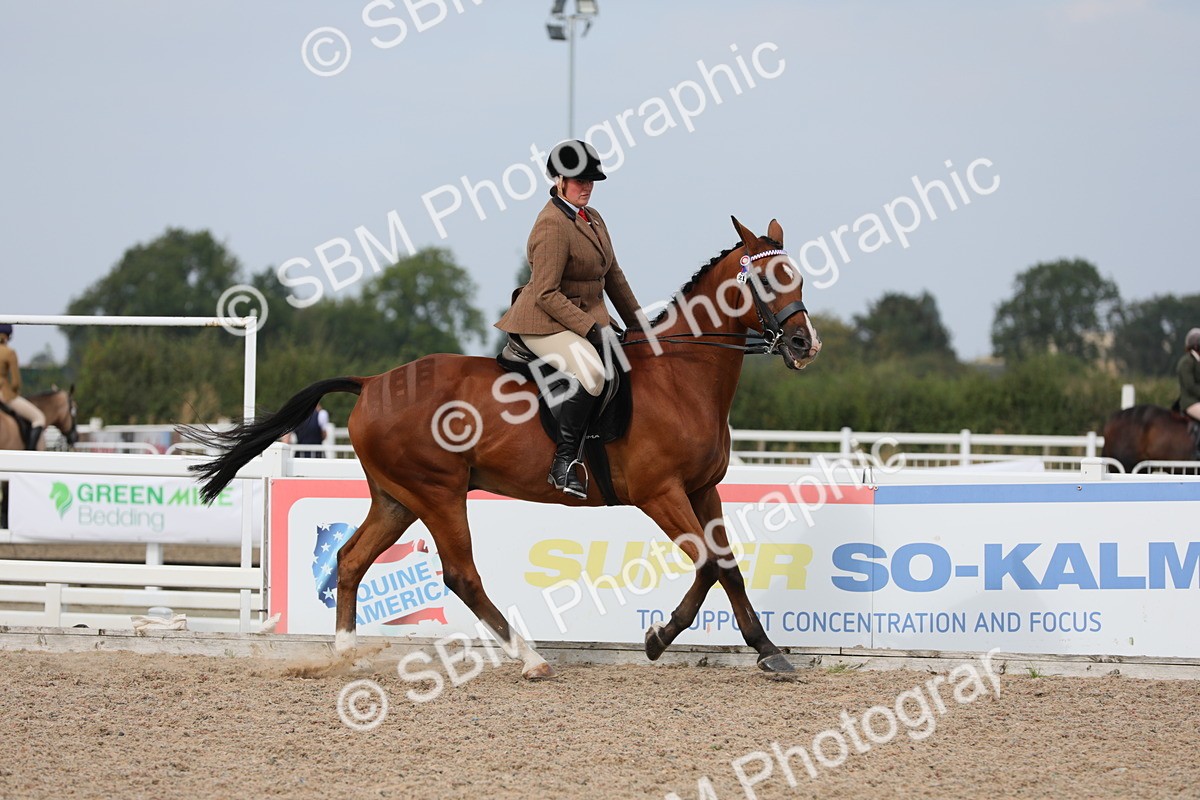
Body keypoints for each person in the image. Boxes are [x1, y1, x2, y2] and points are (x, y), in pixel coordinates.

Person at [496, 139, 645, 498]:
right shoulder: (551, 224)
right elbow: (546, 293)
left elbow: (614, 277)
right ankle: (563, 464)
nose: (587, 187)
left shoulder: (592, 219)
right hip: (541, 322)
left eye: (592, 180)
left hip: (578, 319)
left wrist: (641, 326)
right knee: (592, 372)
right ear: (560, 180)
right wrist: (592, 330)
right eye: (580, 180)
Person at [0, 324, 46, 450]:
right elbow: (15, 382)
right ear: (8, 336)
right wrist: (14, 392)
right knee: (39, 418)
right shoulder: (9, 352)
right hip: (4, 394)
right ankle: (29, 454)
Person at [1178, 327, 1200, 424]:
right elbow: (1190, 386)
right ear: (1196, 347)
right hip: (1190, 402)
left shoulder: (1197, 361)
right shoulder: (1187, 362)